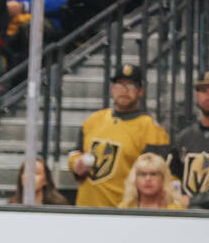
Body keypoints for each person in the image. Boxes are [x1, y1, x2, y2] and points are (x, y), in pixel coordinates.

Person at [67, 64, 170, 209]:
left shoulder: (151, 128)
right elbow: (75, 152)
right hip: (86, 209)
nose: (124, 90)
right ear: (112, 88)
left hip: (124, 213)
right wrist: (75, 163)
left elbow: (159, 178)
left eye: (130, 85)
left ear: (140, 91)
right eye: (120, 84)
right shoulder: (94, 120)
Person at [172, 70, 209, 208]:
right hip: (186, 219)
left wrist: (193, 201)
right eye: (202, 90)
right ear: (196, 95)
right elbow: (170, 176)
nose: (207, 95)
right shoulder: (184, 137)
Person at [117, 153, 189, 210]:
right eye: (143, 174)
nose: (148, 179)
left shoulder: (177, 209)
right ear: (134, 179)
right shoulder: (125, 208)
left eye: (153, 174)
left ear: (163, 178)